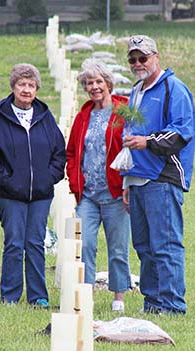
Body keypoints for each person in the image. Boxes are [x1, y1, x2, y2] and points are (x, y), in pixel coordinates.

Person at [122, 35, 195, 315]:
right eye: (133, 59)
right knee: (144, 246)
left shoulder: (174, 89)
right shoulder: (136, 90)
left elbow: (181, 132)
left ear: (156, 57)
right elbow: (129, 136)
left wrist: (148, 141)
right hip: (137, 178)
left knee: (165, 245)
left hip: (162, 178)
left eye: (143, 57)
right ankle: (152, 304)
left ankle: (173, 306)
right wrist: (127, 180)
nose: (138, 63)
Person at [0, 63, 66, 307]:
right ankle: (10, 295)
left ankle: (38, 296)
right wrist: (6, 180)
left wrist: (49, 177)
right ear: (13, 87)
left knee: (35, 243)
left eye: (31, 85)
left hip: (41, 194)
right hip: (9, 193)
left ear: (37, 89)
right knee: (14, 242)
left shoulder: (45, 117)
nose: (26, 89)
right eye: (22, 84)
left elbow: (59, 152)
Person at [66, 59, 131, 313]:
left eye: (98, 82)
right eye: (89, 83)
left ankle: (119, 297)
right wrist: (74, 182)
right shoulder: (83, 116)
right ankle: (87, 293)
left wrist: (129, 181)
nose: (94, 87)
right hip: (89, 197)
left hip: (115, 193)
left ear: (108, 84)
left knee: (117, 247)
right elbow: (72, 152)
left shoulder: (122, 111)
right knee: (85, 245)